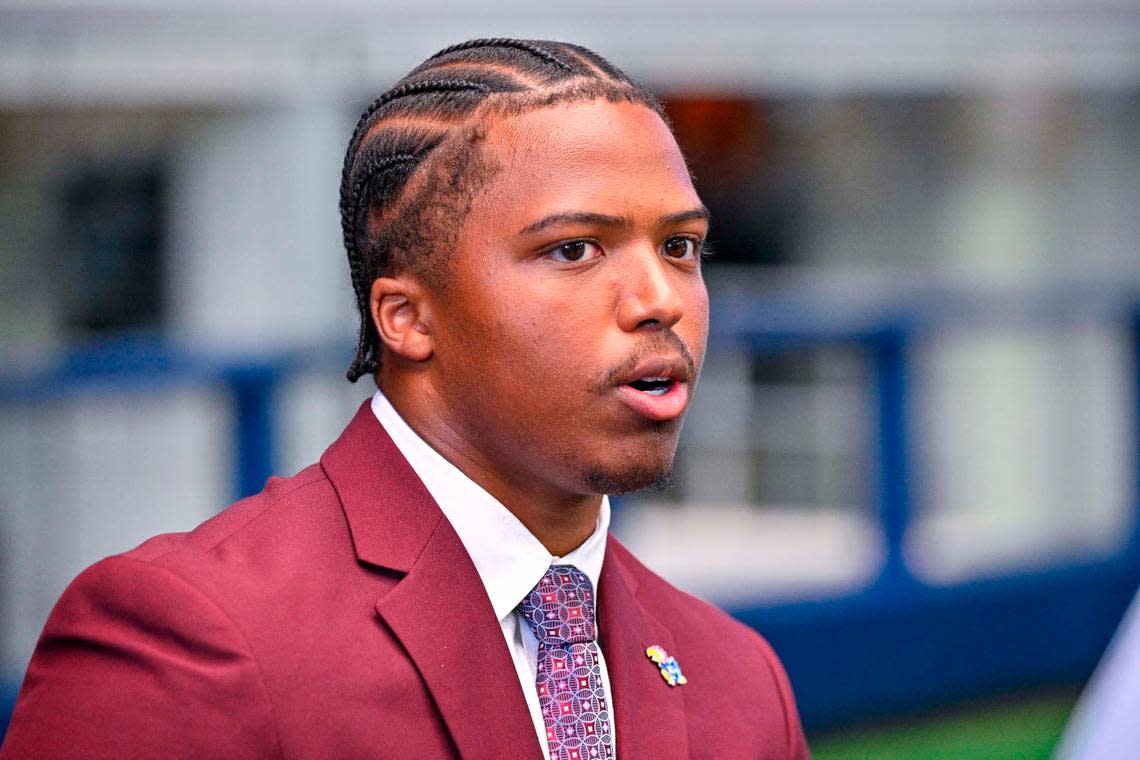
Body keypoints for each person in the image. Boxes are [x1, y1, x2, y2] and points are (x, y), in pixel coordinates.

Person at [1, 38, 808, 759]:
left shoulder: (738, 676)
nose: (659, 298)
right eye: (575, 249)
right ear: (407, 317)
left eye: (680, 247)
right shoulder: (189, 641)